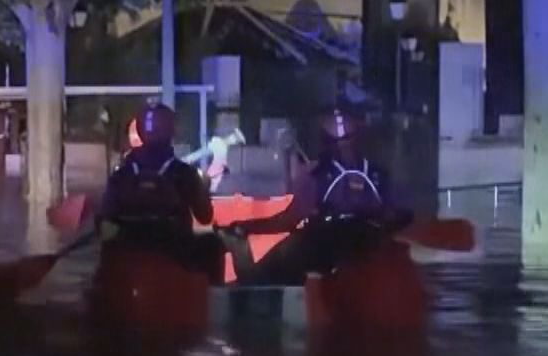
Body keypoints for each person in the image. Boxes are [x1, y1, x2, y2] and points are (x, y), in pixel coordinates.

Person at [220, 107, 412, 285]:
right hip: (353, 242)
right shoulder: (320, 174)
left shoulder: (327, 175)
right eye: (340, 142)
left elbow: (288, 219)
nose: (344, 148)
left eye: (347, 141)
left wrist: (245, 227)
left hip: (340, 241)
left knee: (280, 260)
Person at [98, 103, 222, 280]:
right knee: (212, 244)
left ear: (140, 131)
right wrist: (202, 188)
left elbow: (106, 215)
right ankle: (208, 303)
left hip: (129, 249)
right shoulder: (184, 173)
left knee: (107, 247)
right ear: (172, 131)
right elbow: (205, 216)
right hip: (175, 252)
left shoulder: (121, 174)